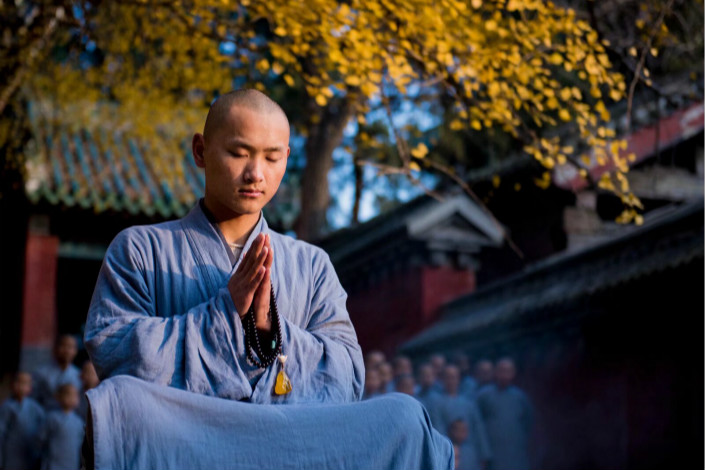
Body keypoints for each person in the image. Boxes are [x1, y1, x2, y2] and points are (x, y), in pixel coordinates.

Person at [83, 89, 452, 470]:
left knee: (404, 416)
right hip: (193, 431)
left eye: (272, 157)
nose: (255, 173)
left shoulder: (311, 264)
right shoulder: (142, 249)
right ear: (200, 151)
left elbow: (345, 379)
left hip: (287, 433)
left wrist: (269, 333)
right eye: (239, 153)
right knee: (122, 401)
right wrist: (223, 314)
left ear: (286, 158)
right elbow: (116, 354)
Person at [477, 358, 534, 470]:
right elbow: (477, 424)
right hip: (493, 452)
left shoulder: (520, 397)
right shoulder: (483, 396)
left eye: (508, 371)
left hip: (516, 452)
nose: (504, 375)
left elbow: (528, 421)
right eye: (502, 371)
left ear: (513, 373)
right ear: (496, 372)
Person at [430, 365, 491, 468]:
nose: (451, 381)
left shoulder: (469, 403)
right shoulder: (436, 404)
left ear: (459, 379)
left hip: (470, 454)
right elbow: (438, 429)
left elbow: (478, 429)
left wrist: (484, 455)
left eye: (454, 377)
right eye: (448, 377)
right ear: (442, 380)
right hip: (449, 453)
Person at [0, 372, 45, 470]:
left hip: (29, 451)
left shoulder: (36, 408)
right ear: (12, 385)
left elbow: (43, 428)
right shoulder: (7, 407)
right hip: (11, 452)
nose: (20, 386)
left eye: (25, 383)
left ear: (30, 388)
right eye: (18, 382)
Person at [41, 384, 84, 470]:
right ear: (58, 397)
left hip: (71, 463)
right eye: (68, 394)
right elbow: (40, 438)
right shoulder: (52, 418)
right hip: (53, 462)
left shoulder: (79, 422)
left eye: (75, 395)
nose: (72, 398)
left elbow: (81, 445)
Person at [33, 335, 82, 409]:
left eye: (70, 347)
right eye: (63, 345)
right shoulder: (41, 373)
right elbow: (33, 399)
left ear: (75, 351)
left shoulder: (78, 375)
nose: (67, 350)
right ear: (55, 348)